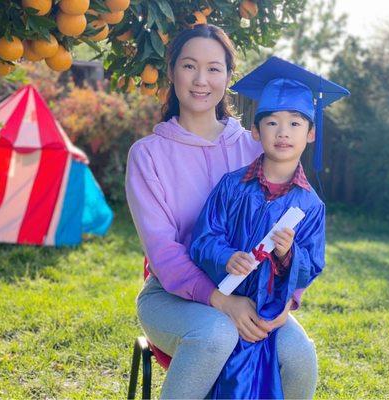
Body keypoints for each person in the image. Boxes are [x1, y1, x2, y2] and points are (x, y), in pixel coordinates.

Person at [125, 26, 320, 399]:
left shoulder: (254, 147)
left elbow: (297, 229)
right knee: (217, 333)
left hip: (253, 292)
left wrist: (286, 302)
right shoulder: (148, 155)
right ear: (172, 72)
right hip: (173, 296)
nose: (201, 80)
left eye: (214, 68)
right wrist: (221, 302)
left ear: (229, 76)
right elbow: (163, 253)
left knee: (298, 354)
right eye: (189, 66)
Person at [189, 56, 350, 398]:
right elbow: (203, 239)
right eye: (272, 123)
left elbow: (312, 267)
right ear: (255, 132)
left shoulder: (310, 207)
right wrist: (226, 256)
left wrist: (289, 254)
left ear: (310, 134)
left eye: (295, 123)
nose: (282, 132)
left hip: (268, 312)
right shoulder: (231, 186)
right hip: (221, 301)